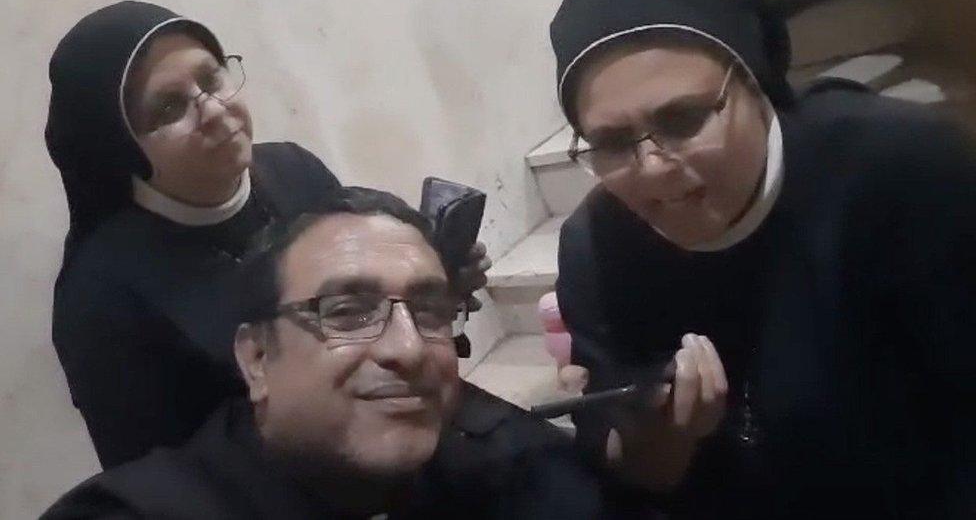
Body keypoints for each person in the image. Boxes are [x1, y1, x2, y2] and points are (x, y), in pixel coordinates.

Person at [549, 0, 975, 518]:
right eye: (610, 142)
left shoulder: (898, 172)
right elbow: (637, 474)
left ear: (754, 84)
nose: (652, 169)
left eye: (682, 119)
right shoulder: (595, 249)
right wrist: (661, 436)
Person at [46, 1, 490, 469]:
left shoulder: (294, 172)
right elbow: (156, 479)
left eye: (211, 79)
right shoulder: (99, 299)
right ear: (118, 147)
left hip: (406, 425)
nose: (215, 111)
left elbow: (363, 305)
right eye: (171, 106)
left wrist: (433, 295)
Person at [41, 188, 631, 520]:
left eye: (430, 311)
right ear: (256, 359)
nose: (408, 349)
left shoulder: (498, 454)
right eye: (346, 313)